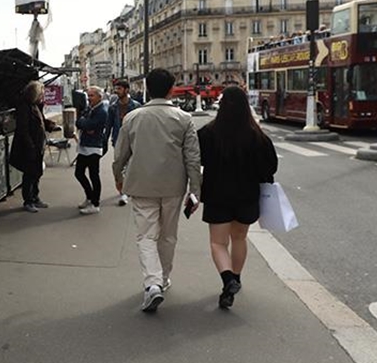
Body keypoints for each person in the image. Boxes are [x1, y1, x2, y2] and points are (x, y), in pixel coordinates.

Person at [112, 69, 202, 312]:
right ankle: (162, 279)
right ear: (171, 89)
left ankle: (152, 284)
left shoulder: (132, 118)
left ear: (148, 89)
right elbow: (193, 158)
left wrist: (118, 177)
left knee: (146, 236)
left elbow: (120, 155)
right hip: (173, 187)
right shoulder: (184, 118)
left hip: (141, 185)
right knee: (168, 235)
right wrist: (195, 190)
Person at [196, 85, 278, 310]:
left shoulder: (207, 133)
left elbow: (196, 161)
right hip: (247, 196)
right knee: (239, 239)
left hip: (217, 194)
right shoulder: (257, 136)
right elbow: (270, 167)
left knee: (218, 243)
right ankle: (237, 278)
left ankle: (227, 280)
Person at [9, 80, 59, 212]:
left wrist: (51, 126)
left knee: (36, 173)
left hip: (37, 145)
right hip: (29, 147)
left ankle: (35, 197)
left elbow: (41, 120)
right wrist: (30, 146)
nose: (43, 96)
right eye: (41, 93)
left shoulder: (35, 105)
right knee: (30, 174)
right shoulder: (24, 107)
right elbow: (23, 129)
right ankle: (28, 200)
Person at [105, 79, 142, 206]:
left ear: (126, 90)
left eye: (119, 89)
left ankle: (125, 192)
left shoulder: (136, 106)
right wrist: (104, 141)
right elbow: (108, 125)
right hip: (118, 140)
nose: (116, 91)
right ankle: (123, 189)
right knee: (118, 166)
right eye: (116, 89)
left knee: (130, 166)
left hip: (134, 140)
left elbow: (141, 124)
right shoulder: (113, 107)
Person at [73, 85, 109, 214]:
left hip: (93, 146)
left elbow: (89, 125)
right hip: (85, 145)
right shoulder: (91, 108)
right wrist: (84, 124)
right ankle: (89, 196)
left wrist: (85, 124)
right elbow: (79, 122)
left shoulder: (102, 111)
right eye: (88, 96)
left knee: (94, 175)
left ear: (99, 97)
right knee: (79, 173)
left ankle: (95, 203)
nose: (89, 98)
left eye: (92, 95)